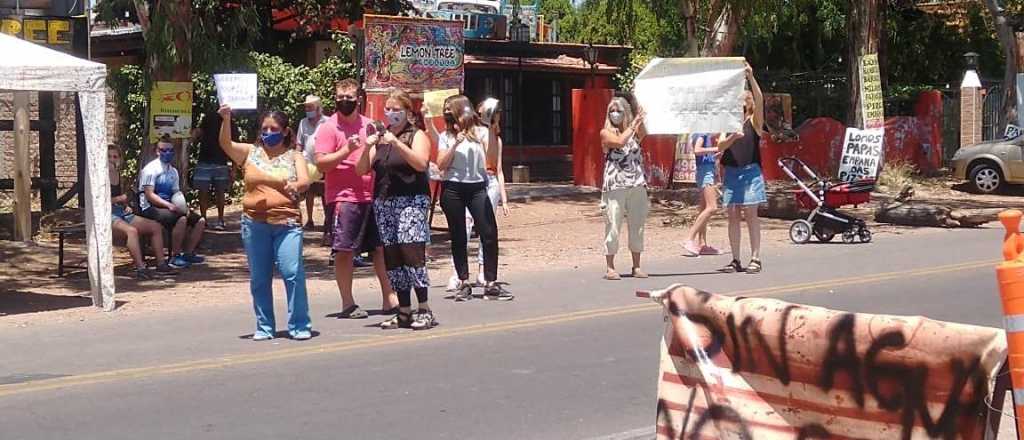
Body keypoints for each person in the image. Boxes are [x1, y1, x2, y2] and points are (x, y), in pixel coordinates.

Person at [218, 104, 313, 341]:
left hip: (287, 223)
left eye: (274, 129)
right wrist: (226, 119)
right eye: (264, 128)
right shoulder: (250, 152)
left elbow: (305, 181)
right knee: (259, 278)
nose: (268, 132)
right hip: (254, 223)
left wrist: (296, 185)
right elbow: (226, 144)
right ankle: (264, 326)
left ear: (285, 131)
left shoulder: (294, 156)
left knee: (292, 273)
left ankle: (299, 324)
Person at [315, 78, 399, 318]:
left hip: (372, 195)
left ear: (359, 99)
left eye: (349, 98)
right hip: (343, 197)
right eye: (340, 98)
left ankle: (389, 297)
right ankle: (347, 302)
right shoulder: (329, 127)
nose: (345, 102)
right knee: (345, 250)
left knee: (380, 248)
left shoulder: (369, 125)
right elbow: (321, 164)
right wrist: (346, 151)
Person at [356, 88, 436, 330]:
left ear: (407, 111)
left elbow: (421, 164)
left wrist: (397, 144)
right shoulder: (381, 137)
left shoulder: (416, 135)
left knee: (411, 252)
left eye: (396, 109)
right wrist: (367, 146)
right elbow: (361, 170)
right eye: (388, 109)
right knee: (393, 255)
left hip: (411, 201)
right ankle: (404, 310)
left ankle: (424, 308)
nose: (391, 113)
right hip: (385, 201)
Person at [424, 99, 511, 289]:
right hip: (453, 188)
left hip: (477, 187)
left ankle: (489, 280)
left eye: (450, 110)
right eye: (446, 111)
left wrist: (492, 129)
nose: (448, 114)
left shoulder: (480, 132)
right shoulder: (446, 136)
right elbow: (441, 164)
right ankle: (462, 279)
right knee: (459, 235)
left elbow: (491, 158)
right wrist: (455, 143)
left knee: (488, 232)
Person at [717, 62, 767, 274]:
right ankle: (735, 259)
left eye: (744, 98)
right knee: (733, 215)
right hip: (731, 172)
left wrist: (751, 77)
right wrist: (732, 138)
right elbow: (720, 145)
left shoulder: (754, 122)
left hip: (750, 172)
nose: (740, 101)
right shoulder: (728, 123)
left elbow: (760, 99)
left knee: (751, 213)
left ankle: (755, 258)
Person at [137, 135, 207, 269]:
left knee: (200, 221)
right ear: (157, 151)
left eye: (170, 150)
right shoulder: (150, 170)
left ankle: (188, 253)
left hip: (170, 206)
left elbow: (176, 192)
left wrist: (183, 206)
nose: (167, 153)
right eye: (163, 150)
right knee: (181, 219)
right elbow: (149, 195)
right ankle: (175, 256)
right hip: (150, 207)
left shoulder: (173, 171)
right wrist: (169, 205)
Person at [108, 144, 175, 279]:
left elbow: (123, 197)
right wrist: (118, 199)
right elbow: (97, 201)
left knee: (155, 226)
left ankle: (161, 264)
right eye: (109, 157)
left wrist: (125, 204)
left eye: (115, 157)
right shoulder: (99, 177)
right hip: (106, 214)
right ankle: (140, 268)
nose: (112, 160)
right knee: (131, 231)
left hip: (121, 212)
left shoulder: (119, 175)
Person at [600, 97, 648, 281]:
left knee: (637, 226)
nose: (615, 114)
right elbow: (619, 142)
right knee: (613, 224)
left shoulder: (633, 132)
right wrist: (634, 123)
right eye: (612, 111)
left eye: (619, 111)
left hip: (636, 183)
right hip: (615, 184)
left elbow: (643, 133)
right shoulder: (605, 133)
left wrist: (639, 115)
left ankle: (637, 265)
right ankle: (610, 267)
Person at [192, 112, 238, 231]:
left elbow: (235, 147)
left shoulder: (232, 123)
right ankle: (203, 220)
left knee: (220, 193)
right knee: (203, 192)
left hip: (221, 162)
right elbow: (199, 133)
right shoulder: (209, 117)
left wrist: (234, 169)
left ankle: (220, 220)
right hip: (204, 161)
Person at [682, 133, 723, 257]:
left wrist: (713, 156)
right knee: (712, 207)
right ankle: (689, 238)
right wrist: (716, 148)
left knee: (704, 208)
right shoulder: (702, 132)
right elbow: (697, 150)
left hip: (706, 169)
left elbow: (702, 155)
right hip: (705, 172)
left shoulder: (704, 133)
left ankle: (702, 243)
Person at [296, 94, 329, 230]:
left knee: (325, 192)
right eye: (306, 107)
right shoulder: (303, 123)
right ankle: (309, 220)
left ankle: (328, 221)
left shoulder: (327, 122)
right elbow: (299, 143)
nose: (307, 110)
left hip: (324, 161)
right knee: (309, 192)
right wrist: (296, 159)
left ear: (318, 108)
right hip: (307, 162)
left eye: (310, 107)